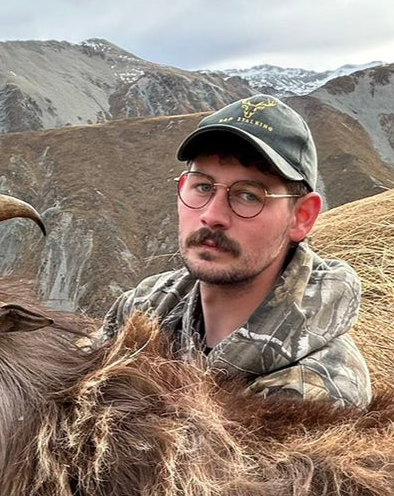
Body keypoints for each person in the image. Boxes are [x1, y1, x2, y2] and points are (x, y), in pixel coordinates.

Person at [101, 94, 372, 407]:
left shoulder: (316, 394)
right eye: (202, 187)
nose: (213, 215)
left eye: (248, 196)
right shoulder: (143, 306)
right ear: (181, 191)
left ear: (302, 217)